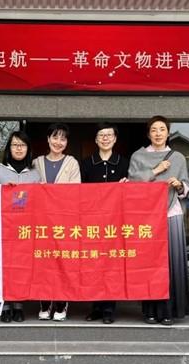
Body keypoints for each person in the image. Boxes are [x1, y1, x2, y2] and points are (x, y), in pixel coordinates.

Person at [128, 115, 189, 325]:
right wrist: (156, 170)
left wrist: (179, 186)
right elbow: (132, 183)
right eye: (154, 130)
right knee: (150, 263)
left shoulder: (178, 158)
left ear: (168, 132)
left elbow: (187, 186)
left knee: (171, 262)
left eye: (162, 129)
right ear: (148, 134)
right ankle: (150, 310)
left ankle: (170, 310)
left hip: (171, 213)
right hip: (147, 217)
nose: (158, 133)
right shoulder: (138, 156)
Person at [0, 130, 41, 323]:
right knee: (5, 266)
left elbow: (40, 199)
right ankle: (6, 304)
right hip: (4, 228)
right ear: (9, 148)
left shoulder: (34, 173)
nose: (19, 149)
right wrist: (3, 191)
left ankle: (19, 305)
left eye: (22, 145)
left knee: (22, 266)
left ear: (28, 149)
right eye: (15, 145)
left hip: (25, 229)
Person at [80, 122, 129, 324]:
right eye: (101, 135)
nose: (105, 138)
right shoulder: (86, 163)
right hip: (92, 223)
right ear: (96, 139)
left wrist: (127, 187)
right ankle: (96, 307)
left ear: (115, 139)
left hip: (115, 224)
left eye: (109, 135)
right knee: (93, 264)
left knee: (112, 266)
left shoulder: (124, 163)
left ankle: (109, 308)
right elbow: (79, 193)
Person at [33, 123, 81, 321]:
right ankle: (45, 301)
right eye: (55, 137)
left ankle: (61, 302)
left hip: (64, 222)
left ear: (67, 142)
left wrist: (51, 192)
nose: (58, 142)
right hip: (41, 223)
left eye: (63, 138)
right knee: (43, 262)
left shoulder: (72, 163)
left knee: (63, 262)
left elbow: (75, 192)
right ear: (48, 139)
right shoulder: (36, 163)